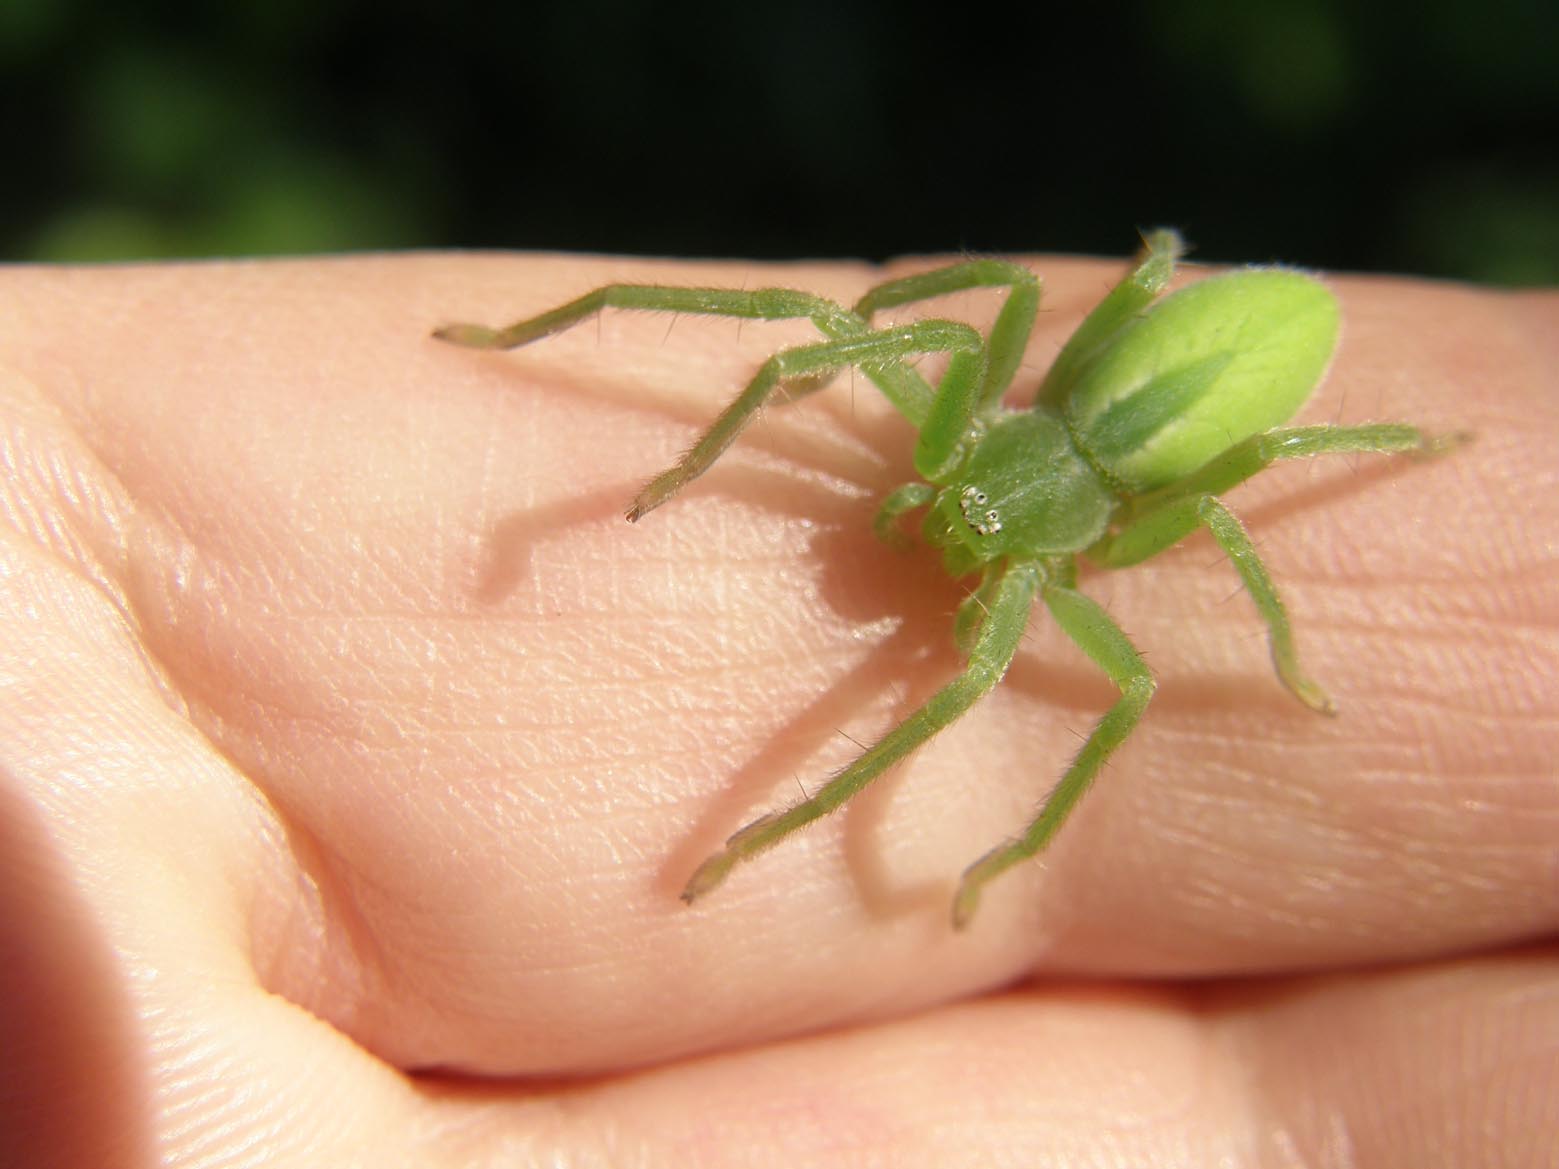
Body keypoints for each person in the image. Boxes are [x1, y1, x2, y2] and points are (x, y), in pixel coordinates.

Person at [2, 253, 1554, 1167]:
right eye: (954, 492)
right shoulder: (972, 417)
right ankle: (559, 363)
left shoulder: (1084, 542)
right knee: (902, 322)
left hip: (1146, 430)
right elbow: (928, 325)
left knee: (1123, 675)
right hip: (1095, 405)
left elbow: (1193, 549)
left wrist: (1276, 647)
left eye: (973, 522)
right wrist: (707, 444)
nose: (949, 521)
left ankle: (804, 830)